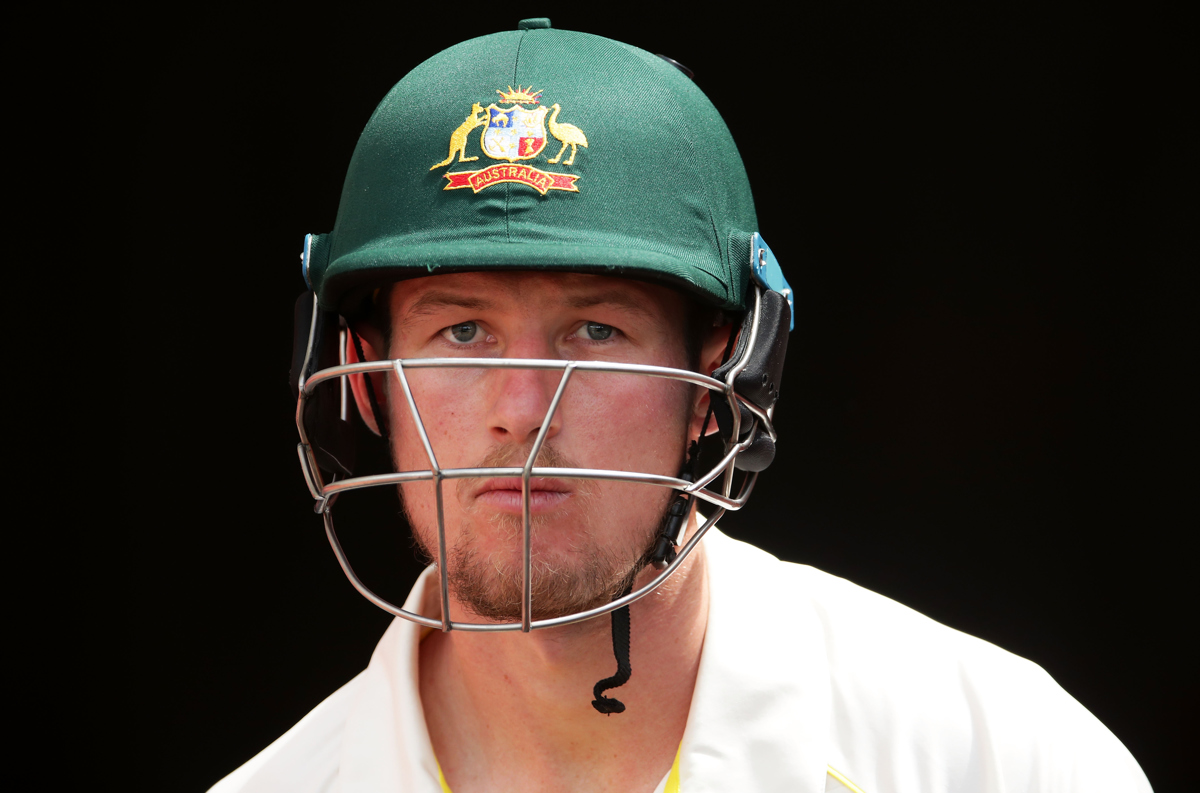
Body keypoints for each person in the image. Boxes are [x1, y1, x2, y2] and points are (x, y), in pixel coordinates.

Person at [212, 19, 1151, 793]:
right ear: (365, 373)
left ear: (723, 378)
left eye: (596, 331)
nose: (523, 408)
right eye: (461, 331)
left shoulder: (1000, 758)